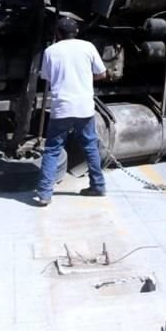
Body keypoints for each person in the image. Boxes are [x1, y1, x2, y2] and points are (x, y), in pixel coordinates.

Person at [33, 17, 107, 207]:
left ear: (57, 33)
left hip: (61, 108)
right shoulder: (88, 47)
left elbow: (46, 77)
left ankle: (44, 194)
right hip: (84, 107)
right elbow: (102, 73)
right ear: (76, 31)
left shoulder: (51, 51)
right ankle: (98, 186)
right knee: (90, 146)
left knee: (52, 150)